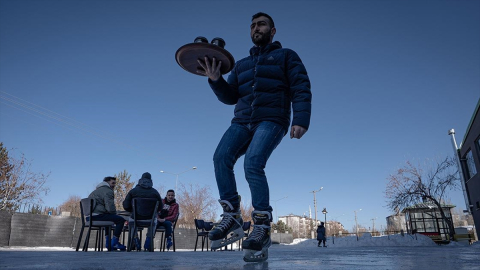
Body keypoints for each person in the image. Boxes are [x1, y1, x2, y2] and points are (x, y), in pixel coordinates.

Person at [197, 12, 312, 262]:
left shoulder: (286, 56)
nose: (255, 28)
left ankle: (261, 225)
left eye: (261, 24)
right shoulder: (241, 65)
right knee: (220, 157)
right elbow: (230, 97)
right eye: (252, 26)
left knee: (252, 163)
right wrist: (216, 80)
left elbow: (301, 86)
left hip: (272, 119)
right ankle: (232, 215)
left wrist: (301, 118)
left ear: (272, 31)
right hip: (242, 121)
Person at [123, 172, 162, 251]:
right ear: (151, 181)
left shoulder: (133, 191)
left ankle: (135, 238)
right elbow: (160, 206)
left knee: (131, 222)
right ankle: (149, 239)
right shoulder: (155, 192)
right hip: (150, 219)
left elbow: (126, 206)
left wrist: (133, 210)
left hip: (135, 218)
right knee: (154, 221)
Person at [88, 176, 126, 251]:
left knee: (108, 219)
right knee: (120, 220)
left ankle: (108, 243)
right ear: (107, 182)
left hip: (90, 216)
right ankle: (114, 242)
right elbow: (110, 207)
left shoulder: (95, 191)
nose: (114, 185)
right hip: (98, 216)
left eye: (115, 183)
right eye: (113, 183)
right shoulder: (108, 191)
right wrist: (115, 213)